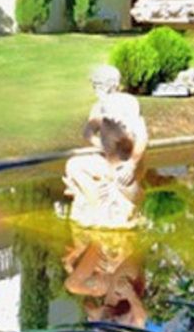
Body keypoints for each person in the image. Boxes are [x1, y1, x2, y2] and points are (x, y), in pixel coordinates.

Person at [64, 65, 150, 229]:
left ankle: (105, 205)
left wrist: (131, 165)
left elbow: (142, 136)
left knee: (122, 185)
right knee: (74, 165)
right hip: (109, 165)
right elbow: (88, 133)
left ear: (106, 85)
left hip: (125, 169)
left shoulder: (127, 104)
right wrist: (104, 147)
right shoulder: (99, 107)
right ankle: (96, 202)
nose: (96, 89)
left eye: (97, 85)